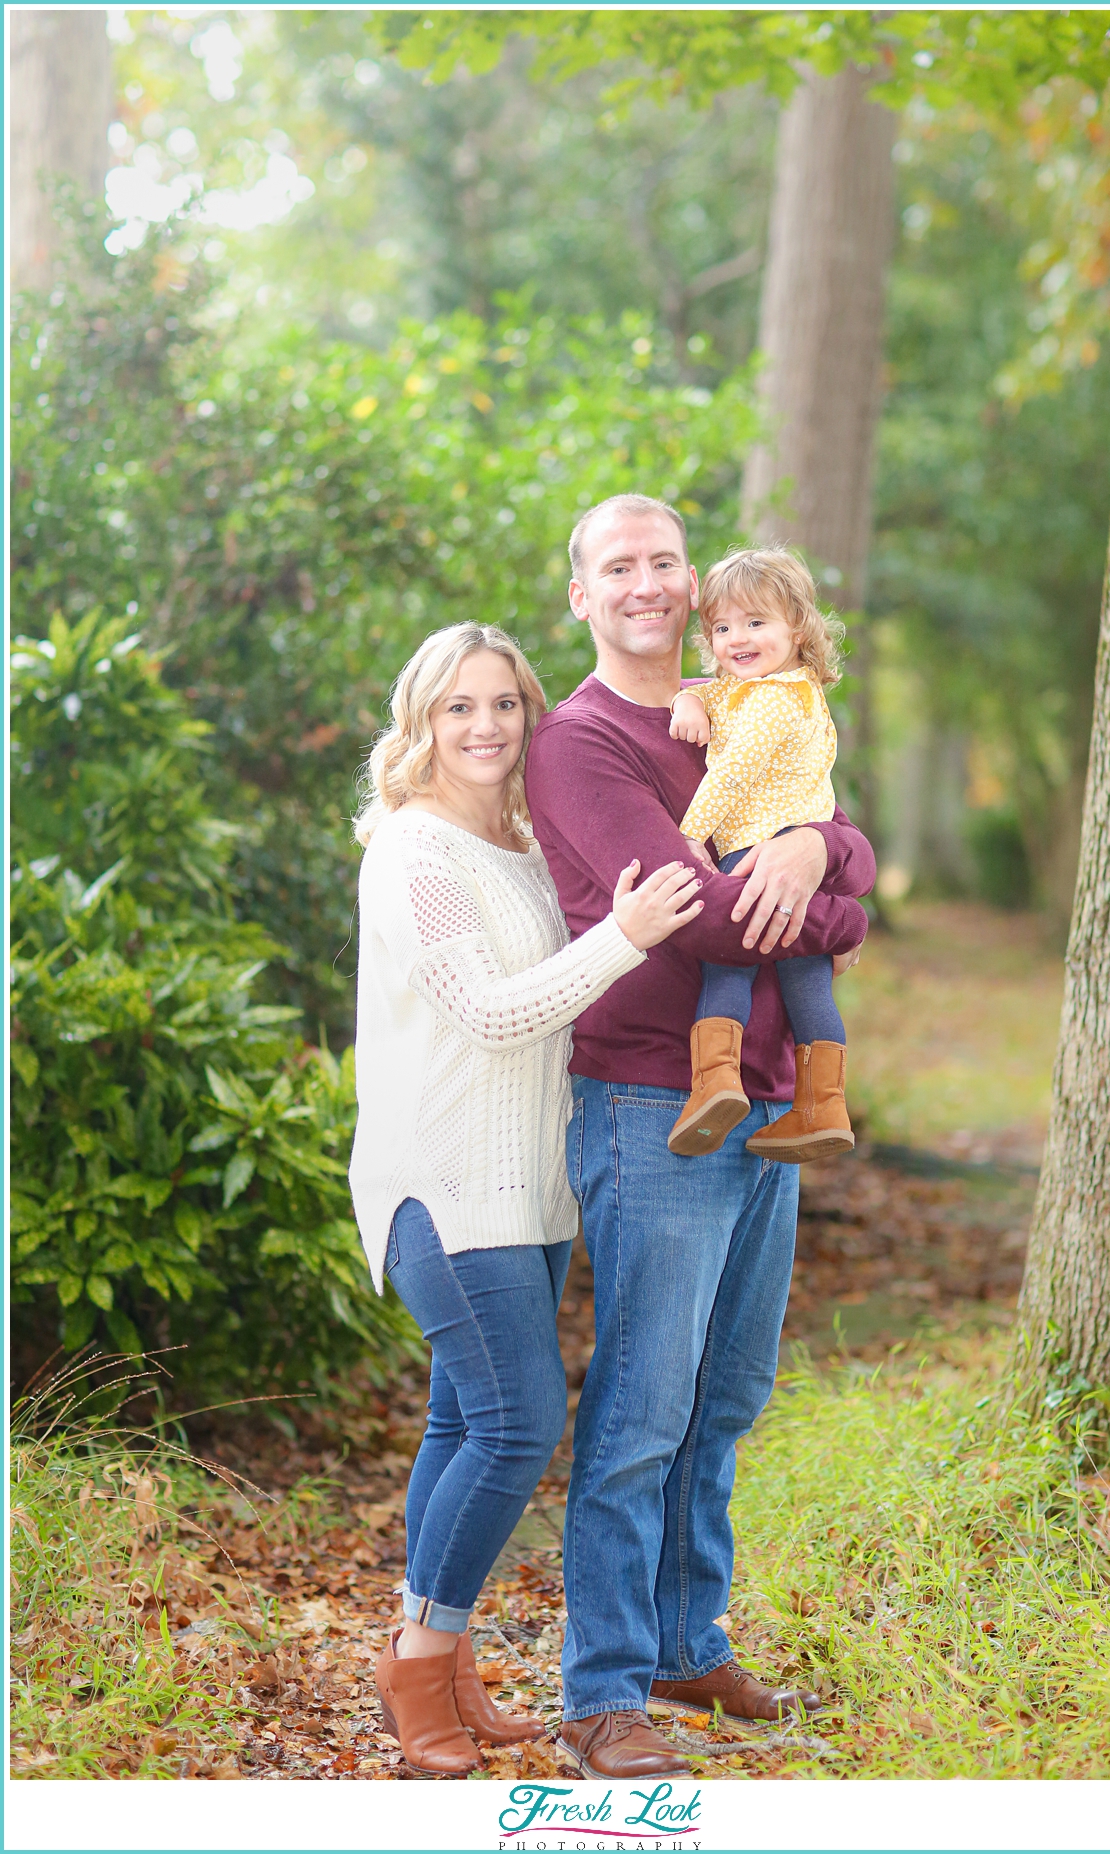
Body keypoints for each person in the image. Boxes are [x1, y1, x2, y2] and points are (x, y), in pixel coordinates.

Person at [523, 494, 874, 1780]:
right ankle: (604, 1686)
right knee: (644, 1403)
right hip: (650, 1103)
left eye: (665, 560)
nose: (647, 585)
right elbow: (711, 923)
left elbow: (848, 838)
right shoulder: (576, 745)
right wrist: (818, 887)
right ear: (581, 595)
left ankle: (684, 1640)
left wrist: (821, 850)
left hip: (772, 1100)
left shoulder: (744, 699)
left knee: (726, 1394)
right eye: (618, 566)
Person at [348, 621, 704, 1777]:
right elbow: (494, 1012)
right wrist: (625, 936)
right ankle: (420, 1659)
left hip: (528, 1185)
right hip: (442, 1185)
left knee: (463, 1419)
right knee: (518, 1424)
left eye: (504, 703)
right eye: (459, 707)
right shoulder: (413, 851)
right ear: (421, 722)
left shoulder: (510, 841)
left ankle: (442, 1667)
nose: (486, 726)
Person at [665, 544, 856, 1164]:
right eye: (722, 627)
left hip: (754, 853)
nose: (736, 639)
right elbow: (714, 695)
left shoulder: (772, 702)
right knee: (808, 984)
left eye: (755, 623)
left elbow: (732, 773)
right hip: (807, 871)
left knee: (728, 968)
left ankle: (715, 1083)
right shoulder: (771, 688)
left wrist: (693, 834)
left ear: (797, 626)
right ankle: (823, 1107)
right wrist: (685, 700)